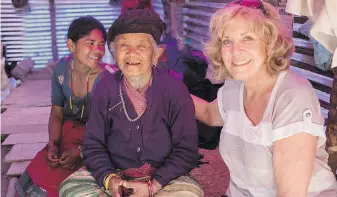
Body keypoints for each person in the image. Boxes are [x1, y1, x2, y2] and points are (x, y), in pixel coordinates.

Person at [192, 1, 337, 197]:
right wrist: (166, 86)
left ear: (270, 42)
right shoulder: (235, 87)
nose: (235, 51)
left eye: (248, 38)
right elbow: (209, 114)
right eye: (227, 41)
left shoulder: (293, 97)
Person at [59, 9, 203, 197]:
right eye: (124, 45)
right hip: (116, 174)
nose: (132, 53)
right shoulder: (105, 88)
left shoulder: (175, 91)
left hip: (164, 179)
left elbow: (186, 150)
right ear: (114, 52)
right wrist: (109, 179)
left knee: (189, 194)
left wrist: (154, 185)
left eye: (142, 46)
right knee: (70, 190)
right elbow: (93, 143)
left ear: (156, 54)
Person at [14, 16, 107, 197]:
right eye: (91, 43)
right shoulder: (61, 71)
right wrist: (52, 145)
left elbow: (112, 130)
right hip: (67, 133)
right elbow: (56, 112)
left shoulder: (107, 80)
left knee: (66, 186)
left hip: (98, 141)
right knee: (35, 179)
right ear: (71, 45)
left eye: (102, 44)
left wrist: (82, 153)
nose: (98, 50)